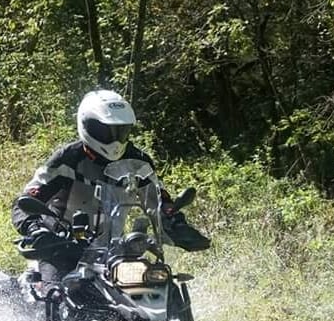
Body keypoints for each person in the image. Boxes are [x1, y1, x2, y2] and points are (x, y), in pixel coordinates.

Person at [11, 89, 210, 283]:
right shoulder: (67, 159)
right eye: (105, 131)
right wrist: (37, 230)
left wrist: (176, 223)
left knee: (158, 283)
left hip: (115, 251)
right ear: (86, 125)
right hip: (62, 247)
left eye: (120, 131)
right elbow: (28, 199)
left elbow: (158, 201)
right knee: (55, 291)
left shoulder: (138, 161)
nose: (114, 139)